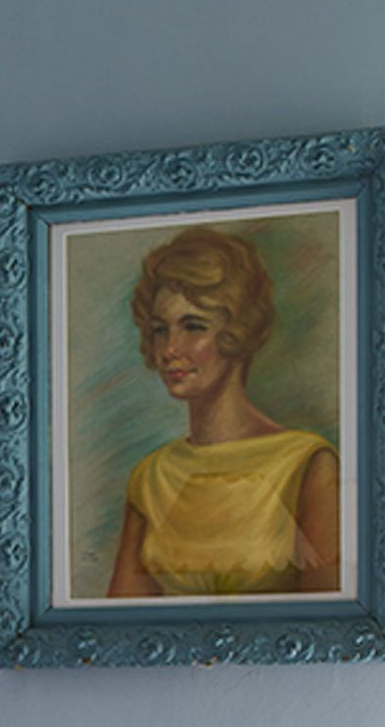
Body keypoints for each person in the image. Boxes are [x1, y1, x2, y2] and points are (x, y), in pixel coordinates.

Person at [106, 225, 340, 597]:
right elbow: (120, 623)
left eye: (192, 326)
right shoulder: (151, 477)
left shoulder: (306, 463)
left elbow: (331, 620)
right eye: (160, 330)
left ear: (237, 331)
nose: (169, 349)